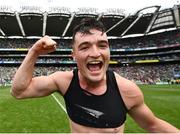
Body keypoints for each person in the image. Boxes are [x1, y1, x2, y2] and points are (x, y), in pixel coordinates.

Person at [11, 18, 180, 133]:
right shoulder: (63, 81)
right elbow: (19, 91)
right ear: (74, 55)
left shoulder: (127, 90)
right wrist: (34, 51)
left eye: (102, 45)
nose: (95, 53)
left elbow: (153, 125)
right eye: (84, 47)